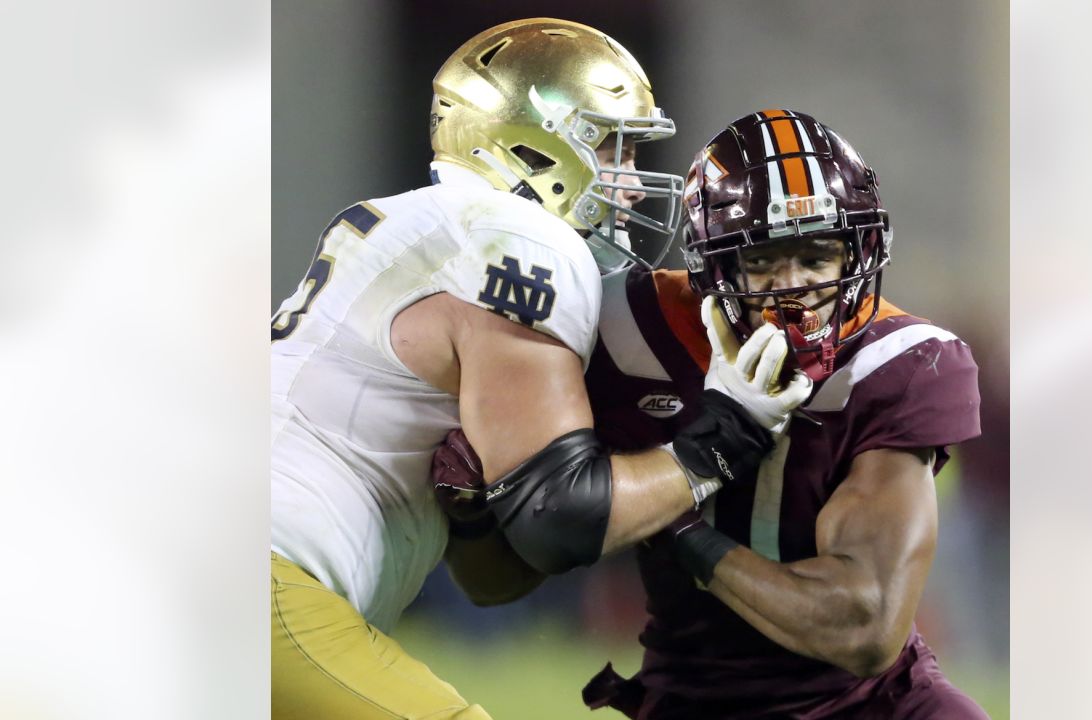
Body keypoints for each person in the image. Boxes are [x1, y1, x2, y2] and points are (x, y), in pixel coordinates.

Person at [270, 20, 810, 720]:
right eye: (612, 147)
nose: (633, 186)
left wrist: (470, 513)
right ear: (534, 143)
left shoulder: (425, 225)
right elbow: (561, 519)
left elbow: (491, 578)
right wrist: (727, 435)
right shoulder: (522, 238)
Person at [435, 109, 989, 718]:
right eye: (762, 262)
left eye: (816, 256)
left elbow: (864, 629)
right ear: (712, 267)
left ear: (859, 250)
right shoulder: (630, 332)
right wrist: (479, 517)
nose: (793, 289)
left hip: (875, 704)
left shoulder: (904, 363)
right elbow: (497, 582)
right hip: (694, 699)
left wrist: (675, 527)